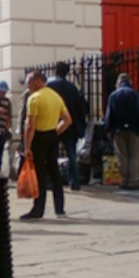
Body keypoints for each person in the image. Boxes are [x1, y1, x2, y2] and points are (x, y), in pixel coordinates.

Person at [21, 70, 72, 221]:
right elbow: (67, 120)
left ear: (37, 81)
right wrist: (56, 131)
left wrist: (27, 146)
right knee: (54, 171)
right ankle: (59, 208)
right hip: (52, 135)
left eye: (29, 82)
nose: (28, 85)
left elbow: (30, 125)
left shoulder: (34, 99)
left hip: (39, 137)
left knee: (40, 175)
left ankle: (38, 209)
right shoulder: (56, 96)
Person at [104, 73, 139, 190]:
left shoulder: (113, 95)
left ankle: (124, 180)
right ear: (130, 82)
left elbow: (109, 115)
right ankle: (133, 181)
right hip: (134, 129)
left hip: (118, 129)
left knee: (122, 156)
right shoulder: (135, 94)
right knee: (134, 156)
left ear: (118, 83)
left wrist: (109, 129)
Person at [48, 62, 87, 190]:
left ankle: (52, 181)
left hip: (54, 123)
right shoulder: (72, 87)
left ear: (55, 71)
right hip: (71, 125)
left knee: (52, 154)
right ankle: (75, 181)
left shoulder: (50, 86)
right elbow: (80, 107)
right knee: (72, 154)